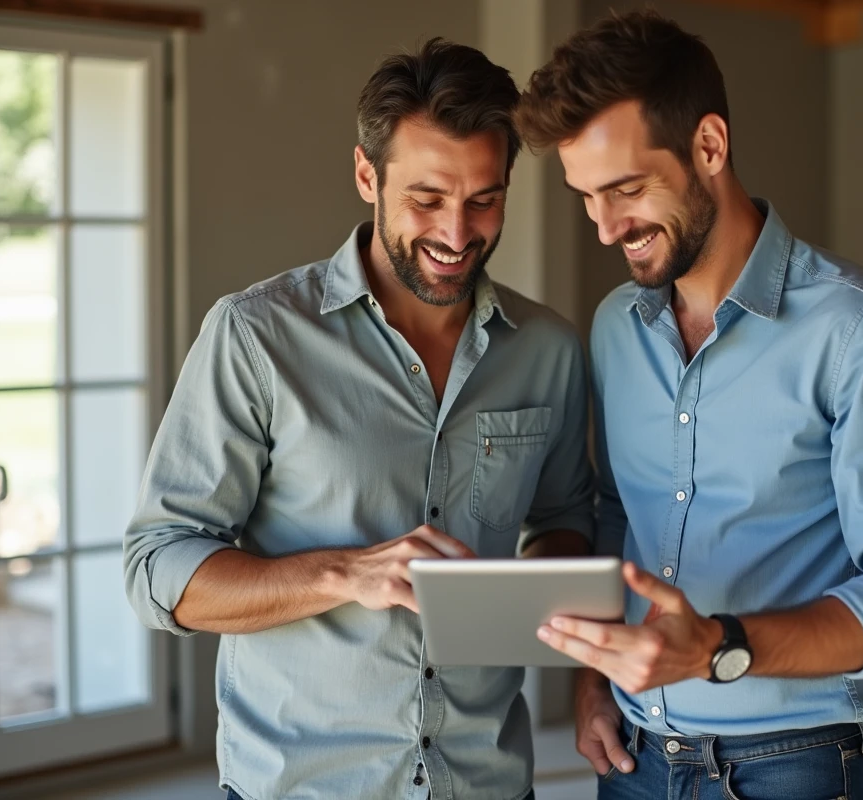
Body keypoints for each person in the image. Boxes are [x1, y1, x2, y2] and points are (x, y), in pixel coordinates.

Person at [514, 10, 863, 799]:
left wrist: (719, 646)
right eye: (586, 197)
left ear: (709, 146)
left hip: (793, 765)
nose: (606, 228)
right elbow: (621, 515)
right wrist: (593, 684)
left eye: (626, 190)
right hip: (632, 757)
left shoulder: (861, 330)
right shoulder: (618, 328)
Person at [123, 38, 593, 800]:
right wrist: (344, 573)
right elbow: (157, 570)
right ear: (367, 175)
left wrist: (534, 599)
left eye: (484, 200)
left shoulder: (549, 350)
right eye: (427, 199)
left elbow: (565, 519)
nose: (457, 234)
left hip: (487, 782)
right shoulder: (256, 336)